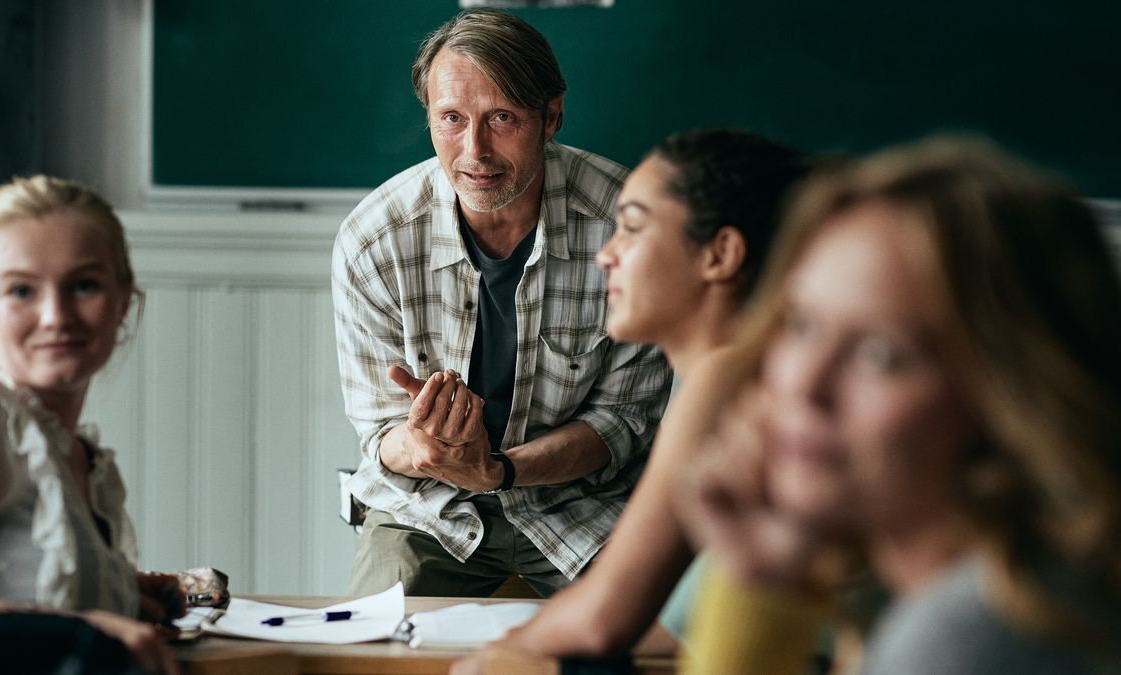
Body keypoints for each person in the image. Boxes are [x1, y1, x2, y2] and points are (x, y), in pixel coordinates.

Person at [677, 136, 1121, 674]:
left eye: (882, 355)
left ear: (1012, 392)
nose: (804, 385)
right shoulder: (1020, 585)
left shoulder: (970, 636)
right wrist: (764, 579)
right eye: (801, 324)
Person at [333, 8, 672, 598]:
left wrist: (499, 471)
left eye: (503, 118)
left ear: (552, 117)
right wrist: (424, 446)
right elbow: (378, 430)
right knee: (375, 649)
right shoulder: (373, 240)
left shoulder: (628, 228)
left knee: (639, 646)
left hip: (585, 506)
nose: (475, 150)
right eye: (451, 119)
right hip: (426, 510)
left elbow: (621, 423)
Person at [449, 128, 807, 672]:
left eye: (633, 229)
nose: (607, 255)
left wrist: (508, 653)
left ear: (721, 255)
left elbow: (603, 619)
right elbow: (675, 625)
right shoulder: (726, 375)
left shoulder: (724, 377)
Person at [0, 175, 182, 674]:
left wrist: (118, 594)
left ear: (123, 300)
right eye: (22, 290)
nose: (55, 316)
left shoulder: (81, 457)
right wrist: (78, 631)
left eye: (83, 285)